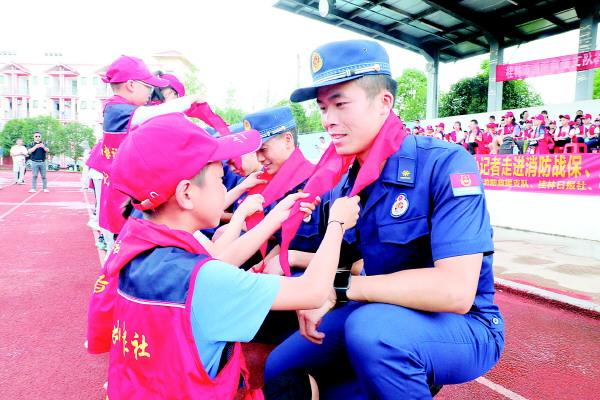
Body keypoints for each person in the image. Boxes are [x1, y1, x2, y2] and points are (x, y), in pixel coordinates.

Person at [264, 39, 504, 400]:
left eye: (341, 104)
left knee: (373, 332)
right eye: (323, 107)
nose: (329, 120)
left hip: (463, 322)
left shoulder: (443, 164)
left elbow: (455, 291)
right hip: (381, 308)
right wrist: (312, 279)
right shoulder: (345, 184)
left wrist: (336, 290)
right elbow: (354, 266)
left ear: (383, 103)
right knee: (281, 369)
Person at [96, 113, 359, 399]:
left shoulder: (137, 251)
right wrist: (338, 223)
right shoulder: (206, 281)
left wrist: (276, 217)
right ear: (186, 194)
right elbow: (312, 291)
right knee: (296, 384)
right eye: (221, 179)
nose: (227, 187)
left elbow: (217, 265)